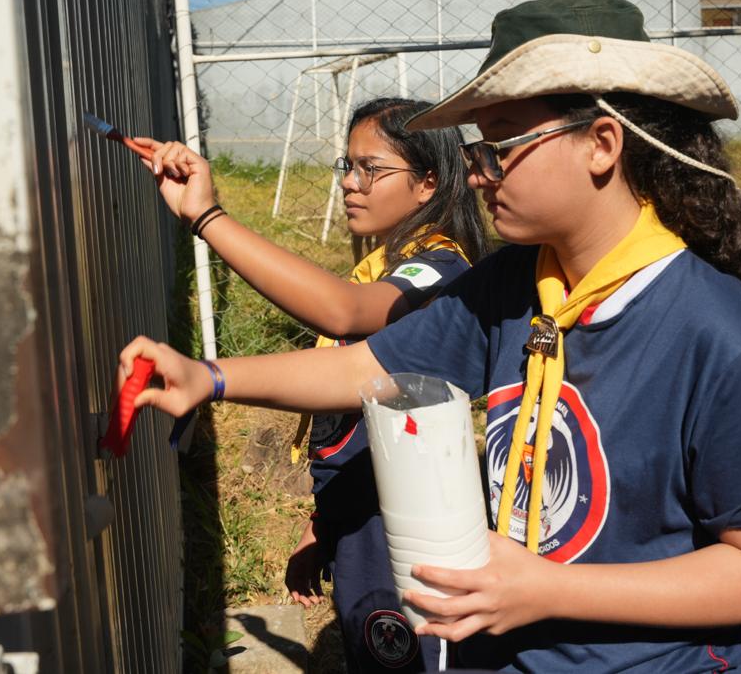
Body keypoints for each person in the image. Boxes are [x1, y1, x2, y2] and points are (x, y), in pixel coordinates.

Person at [123, 0, 741, 672]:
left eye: (503, 144)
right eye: (479, 147)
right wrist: (210, 377)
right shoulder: (513, 284)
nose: (480, 172)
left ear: (601, 145)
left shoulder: (724, 337)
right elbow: (368, 367)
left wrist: (548, 589)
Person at [135, 97, 488, 673]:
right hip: (360, 511)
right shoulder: (389, 262)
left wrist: (206, 219)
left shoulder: (439, 269)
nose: (350, 183)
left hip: (398, 525)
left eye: (370, 169)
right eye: (346, 166)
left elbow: (342, 312)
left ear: (428, 183)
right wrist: (322, 525)